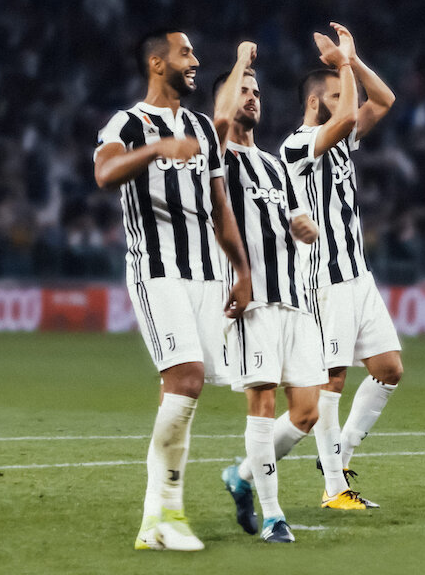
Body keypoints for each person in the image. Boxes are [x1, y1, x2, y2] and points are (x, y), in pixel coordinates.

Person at [94, 28, 253, 551]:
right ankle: (172, 513)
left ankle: (152, 522)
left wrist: (243, 271)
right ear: (157, 63)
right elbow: (105, 173)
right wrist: (159, 148)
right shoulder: (128, 124)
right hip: (156, 272)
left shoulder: (205, 130)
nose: (195, 60)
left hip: (208, 275)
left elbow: (220, 206)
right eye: (186, 53)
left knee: (184, 392)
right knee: (185, 379)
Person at [278, 22, 403, 510]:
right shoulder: (294, 147)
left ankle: (342, 451)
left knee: (389, 369)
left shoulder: (345, 138)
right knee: (331, 382)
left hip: (358, 276)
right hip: (323, 280)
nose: (343, 99)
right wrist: (344, 62)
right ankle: (335, 488)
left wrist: (352, 62)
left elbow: (385, 100)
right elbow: (350, 114)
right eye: (333, 94)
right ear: (315, 103)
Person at [210, 40, 328, 543]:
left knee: (307, 410)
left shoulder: (274, 165)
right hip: (251, 301)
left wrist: (305, 227)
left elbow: (295, 217)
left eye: (256, 91)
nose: (253, 97)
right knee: (260, 403)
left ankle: (240, 475)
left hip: (294, 300)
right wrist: (240, 64)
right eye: (243, 91)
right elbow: (217, 123)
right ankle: (274, 514)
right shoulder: (213, 158)